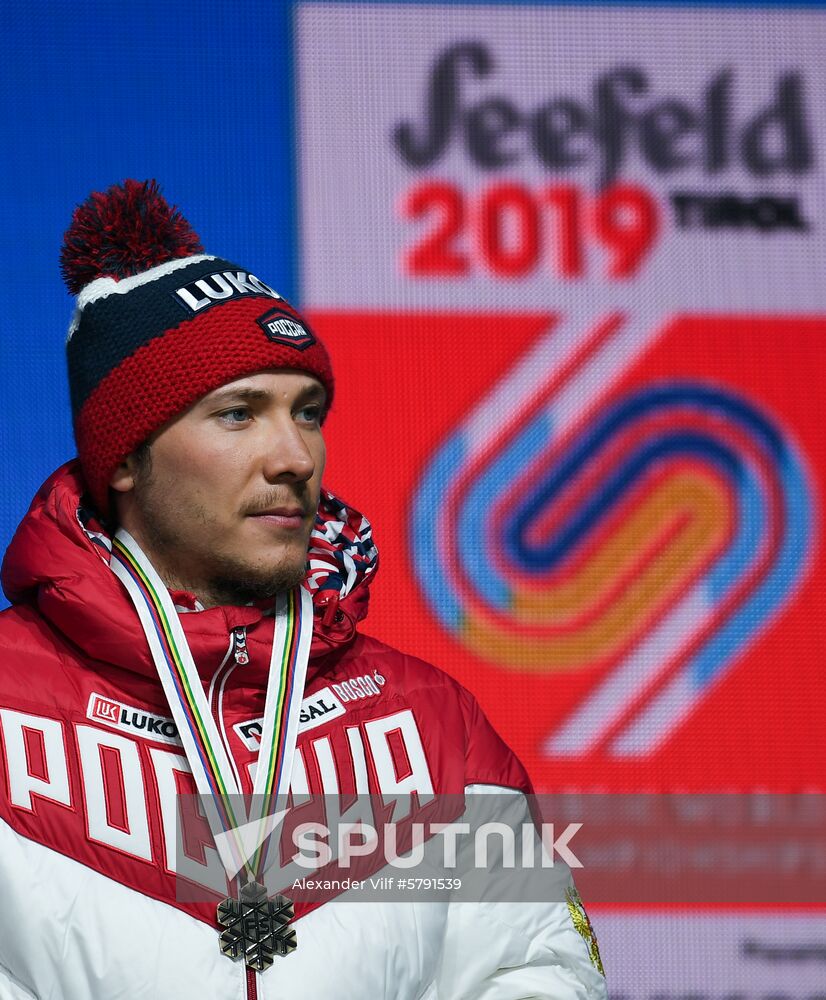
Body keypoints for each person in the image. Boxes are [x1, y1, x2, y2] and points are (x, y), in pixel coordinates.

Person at [0, 180, 607, 999]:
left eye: (308, 411)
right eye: (239, 414)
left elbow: (537, 971)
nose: (295, 456)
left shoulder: (431, 722)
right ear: (124, 459)